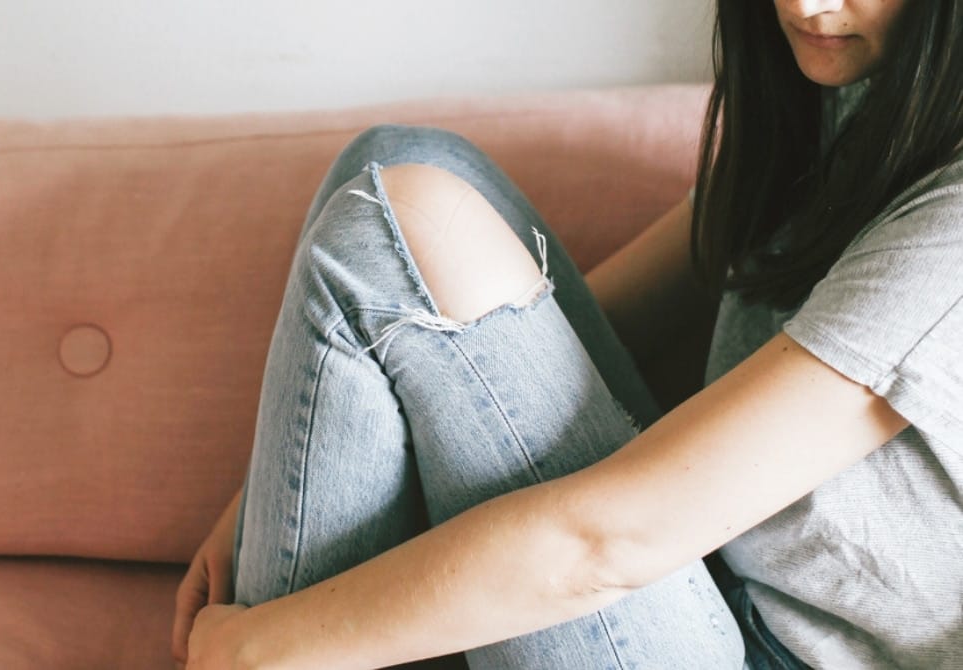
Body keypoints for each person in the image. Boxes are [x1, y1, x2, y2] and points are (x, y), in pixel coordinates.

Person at [173, 0, 963, 667]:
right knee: (396, 165)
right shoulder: (856, 91)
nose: (800, 4)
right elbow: (580, 332)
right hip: (702, 584)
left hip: (750, 637)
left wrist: (254, 647)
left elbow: (607, 544)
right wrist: (269, 480)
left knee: (391, 220)